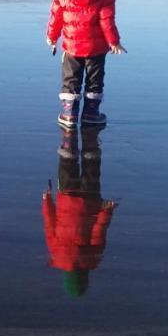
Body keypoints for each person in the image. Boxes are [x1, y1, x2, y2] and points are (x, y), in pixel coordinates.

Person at [46, 0, 126, 128]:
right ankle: (91, 113)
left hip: (71, 47)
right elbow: (107, 21)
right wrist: (114, 42)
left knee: (70, 80)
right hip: (96, 49)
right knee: (94, 81)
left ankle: (69, 115)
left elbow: (55, 16)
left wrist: (51, 37)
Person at [43, 127, 116, 298]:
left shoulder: (92, 259)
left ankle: (91, 142)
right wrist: (46, 200)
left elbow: (98, 231)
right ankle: (68, 140)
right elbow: (49, 224)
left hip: (90, 201)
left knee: (92, 169)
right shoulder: (56, 253)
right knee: (67, 165)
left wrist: (106, 211)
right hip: (66, 199)